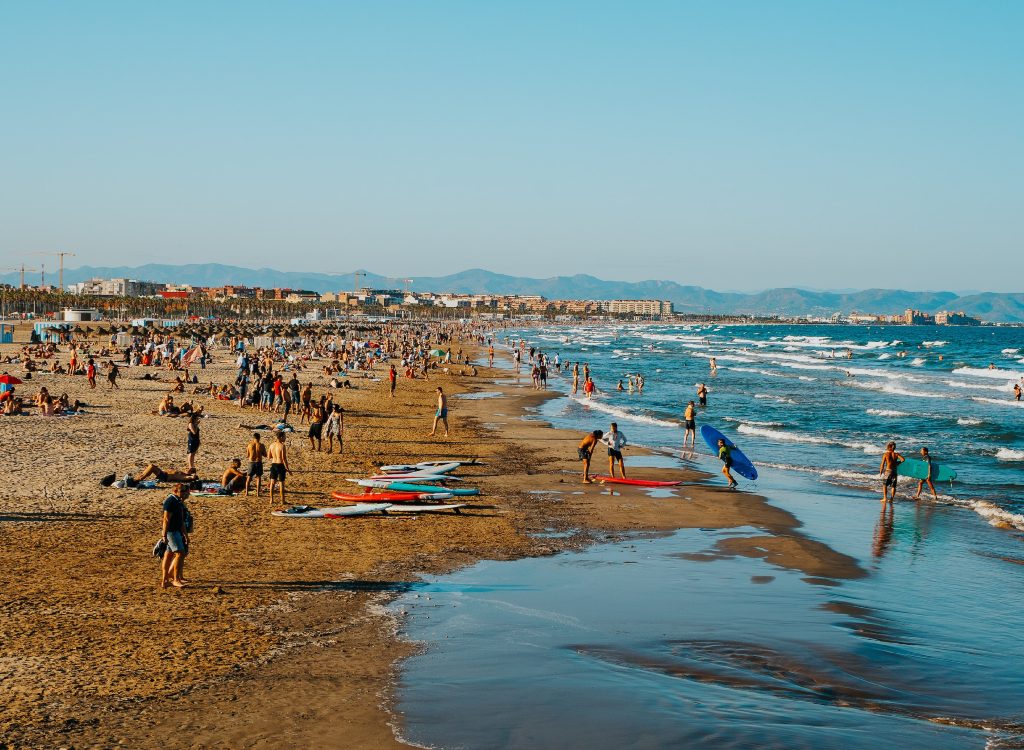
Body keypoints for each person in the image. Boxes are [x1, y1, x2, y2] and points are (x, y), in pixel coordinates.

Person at [160, 483, 191, 589]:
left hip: (176, 531)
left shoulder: (178, 502)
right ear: (175, 491)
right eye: (182, 491)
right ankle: (175, 579)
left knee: (168, 555)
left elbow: (181, 520)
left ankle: (165, 580)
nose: (184, 493)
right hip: (171, 532)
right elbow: (166, 519)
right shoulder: (170, 502)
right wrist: (164, 535)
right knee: (180, 553)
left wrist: (185, 535)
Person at [267, 431, 290, 504]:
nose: (285, 438)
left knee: (272, 483)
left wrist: (275, 455)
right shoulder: (282, 446)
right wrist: (288, 469)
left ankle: (271, 500)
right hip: (280, 465)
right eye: (284, 436)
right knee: (281, 484)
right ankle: (282, 500)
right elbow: (284, 459)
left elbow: (268, 456)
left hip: (273, 464)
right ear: (281, 437)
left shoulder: (271, 445)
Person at [245, 432, 267, 497]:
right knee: (258, 477)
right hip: (258, 462)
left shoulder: (249, 445)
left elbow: (247, 455)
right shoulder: (261, 445)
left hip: (251, 462)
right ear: (259, 438)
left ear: (253, 438)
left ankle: (246, 492)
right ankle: (257, 493)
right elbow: (265, 455)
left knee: (249, 477)